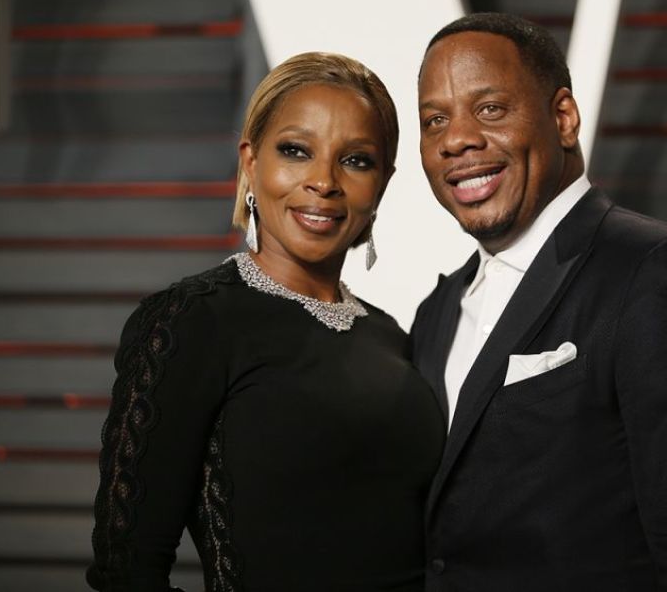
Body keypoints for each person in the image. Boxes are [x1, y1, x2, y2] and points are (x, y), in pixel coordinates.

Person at [410, 12, 667, 591]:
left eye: (490, 109)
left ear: (564, 118)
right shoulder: (437, 310)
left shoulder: (659, 273)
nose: (457, 139)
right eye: (435, 120)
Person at [87, 52, 445, 591]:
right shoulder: (192, 321)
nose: (323, 181)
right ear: (251, 162)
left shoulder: (391, 336)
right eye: (296, 151)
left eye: (356, 160)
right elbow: (127, 569)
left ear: (383, 184)